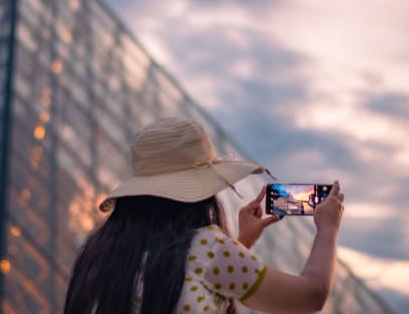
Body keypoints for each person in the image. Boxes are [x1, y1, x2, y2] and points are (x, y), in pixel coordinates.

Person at [64, 117, 344, 314]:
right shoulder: (209, 249)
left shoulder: (99, 254)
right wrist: (327, 229)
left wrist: (241, 243)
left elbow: (189, 280)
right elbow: (311, 296)